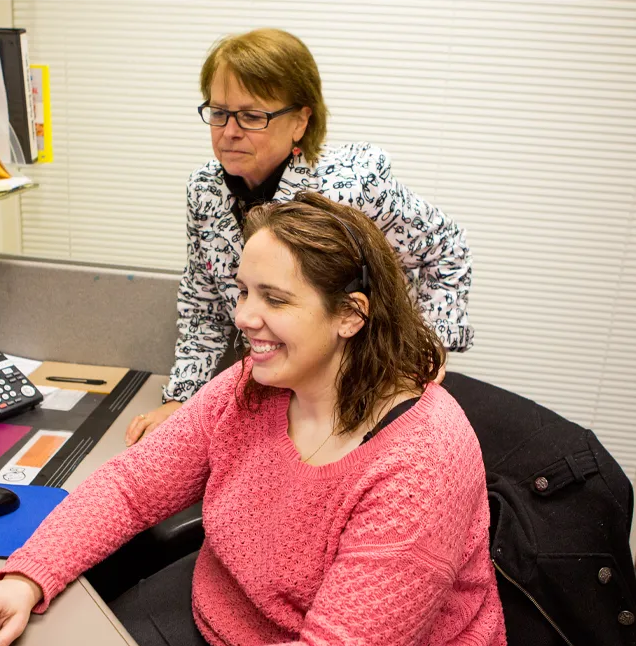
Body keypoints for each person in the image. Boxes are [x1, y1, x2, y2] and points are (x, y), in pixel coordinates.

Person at [0, 192, 506, 646]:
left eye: (274, 299)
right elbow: (133, 486)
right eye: (243, 290)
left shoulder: (422, 461)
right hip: (225, 621)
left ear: (350, 316)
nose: (243, 317)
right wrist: (28, 576)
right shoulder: (253, 386)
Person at [125, 27, 474, 446]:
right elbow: (203, 308)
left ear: (300, 121)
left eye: (252, 116)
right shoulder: (205, 190)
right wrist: (180, 400)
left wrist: (428, 347)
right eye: (218, 113)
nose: (229, 131)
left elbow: (448, 250)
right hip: (274, 387)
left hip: (362, 390)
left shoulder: (351, 186)